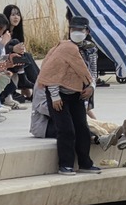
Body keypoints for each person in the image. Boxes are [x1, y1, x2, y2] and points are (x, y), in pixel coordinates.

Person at [37, 17, 102, 174]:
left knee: (82, 128)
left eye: (81, 30)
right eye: (74, 30)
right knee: (66, 130)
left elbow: (92, 72)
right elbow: (51, 73)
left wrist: (91, 87)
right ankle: (65, 164)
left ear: (87, 31)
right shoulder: (63, 48)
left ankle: (85, 163)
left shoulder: (90, 49)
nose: (77, 33)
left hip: (77, 94)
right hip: (59, 95)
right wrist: (55, 97)